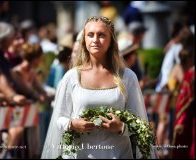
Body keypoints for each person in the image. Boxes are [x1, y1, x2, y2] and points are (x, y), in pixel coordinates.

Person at [41, 16, 158, 159]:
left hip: (118, 154)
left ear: (111, 41)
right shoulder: (71, 77)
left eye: (101, 35)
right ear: (84, 40)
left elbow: (140, 123)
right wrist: (72, 124)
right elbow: (58, 117)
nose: (95, 39)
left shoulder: (127, 77)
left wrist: (121, 127)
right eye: (90, 35)